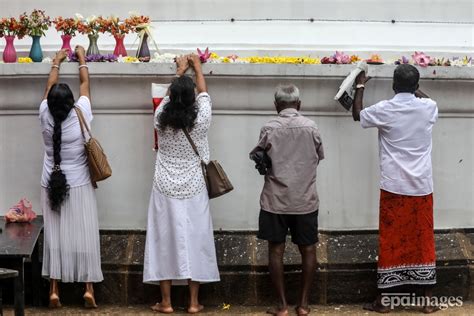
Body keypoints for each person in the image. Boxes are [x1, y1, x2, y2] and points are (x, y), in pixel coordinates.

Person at [352, 64, 438, 313]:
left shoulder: (385, 109)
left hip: (394, 186)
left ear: (393, 85)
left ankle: (384, 300)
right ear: (416, 85)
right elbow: (428, 100)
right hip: (422, 186)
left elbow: (358, 114)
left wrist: (360, 85)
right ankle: (428, 300)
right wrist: (414, 88)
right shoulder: (428, 108)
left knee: (391, 241)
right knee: (423, 239)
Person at [143, 54, 220, 314]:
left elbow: (165, 99)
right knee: (195, 239)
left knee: (162, 240)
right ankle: (193, 302)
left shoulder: (160, 119)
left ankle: (166, 302)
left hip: (164, 185)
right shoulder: (202, 120)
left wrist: (178, 72)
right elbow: (204, 94)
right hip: (194, 187)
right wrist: (197, 67)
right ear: (192, 99)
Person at [250, 84, 324, 316]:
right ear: (299, 105)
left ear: (276, 105)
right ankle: (303, 305)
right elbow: (319, 157)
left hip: (275, 200)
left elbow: (258, 155)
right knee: (309, 249)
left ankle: (281, 305)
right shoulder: (311, 127)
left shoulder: (269, 128)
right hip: (305, 199)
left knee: (275, 249)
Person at [40, 46, 103, 308]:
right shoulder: (80, 113)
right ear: (70, 104)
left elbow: (48, 89)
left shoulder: (44, 113)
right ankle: (88, 289)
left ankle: (54, 290)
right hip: (78, 184)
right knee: (84, 235)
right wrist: (81, 57)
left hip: (50, 182)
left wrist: (56, 62)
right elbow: (86, 84)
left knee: (54, 237)